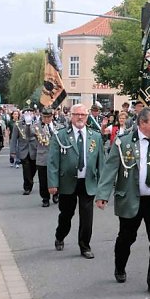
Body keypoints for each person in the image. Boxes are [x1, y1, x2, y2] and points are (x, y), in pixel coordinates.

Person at [97, 107, 150, 295]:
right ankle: (120, 266)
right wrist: (102, 195)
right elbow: (110, 169)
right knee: (126, 238)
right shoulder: (124, 142)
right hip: (131, 199)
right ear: (142, 123)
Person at [47, 103, 105, 258]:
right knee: (66, 214)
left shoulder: (96, 136)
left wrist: (103, 189)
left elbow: (102, 163)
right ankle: (60, 235)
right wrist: (52, 183)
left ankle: (85, 246)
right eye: (77, 114)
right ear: (71, 116)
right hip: (67, 182)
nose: (80, 117)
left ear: (88, 117)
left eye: (83, 115)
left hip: (88, 181)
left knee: (87, 217)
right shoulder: (60, 135)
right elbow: (53, 161)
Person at [10, 107, 39, 196]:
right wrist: (13, 151)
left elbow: (36, 135)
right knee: (26, 169)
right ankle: (27, 187)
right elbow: (14, 139)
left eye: (30, 113)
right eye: (26, 113)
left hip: (34, 149)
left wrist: (29, 125)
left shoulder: (37, 124)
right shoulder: (17, 124)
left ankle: (29, 181)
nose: (28, 115)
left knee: (33, 169)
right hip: (23, 149)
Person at [35, 107, 58, 207]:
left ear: (52, 117)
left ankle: (56, 193)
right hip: (43, 156)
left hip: (55, 157)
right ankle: (45, 198)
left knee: (56, 177)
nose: (47, 119)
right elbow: (30, 133)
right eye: (45, 117)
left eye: (49, 117)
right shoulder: (37, 126)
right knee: (43, 179)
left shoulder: (58, 126)